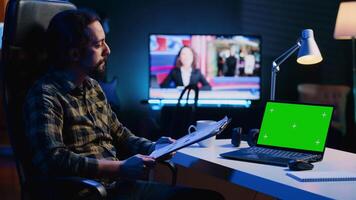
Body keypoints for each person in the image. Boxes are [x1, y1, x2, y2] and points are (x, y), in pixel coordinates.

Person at [24, 9, 224, 200]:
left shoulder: (92, 87)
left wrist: (155, 147)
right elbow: (52, 159)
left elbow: (120, 133)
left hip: (116, 187)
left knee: (210, 197)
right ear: (74, 53)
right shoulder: (45, 94)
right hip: (89, 193)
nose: (108, 50)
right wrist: (120, 168)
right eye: (99, 44)